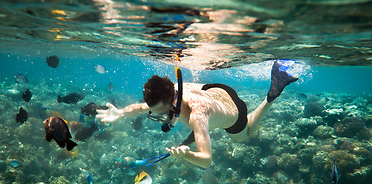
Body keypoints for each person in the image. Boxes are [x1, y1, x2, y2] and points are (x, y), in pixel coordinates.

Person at [96, 60, 298, 169]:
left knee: (243, 138)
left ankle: (272, 94)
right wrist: (119, 113)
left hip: (234, 112)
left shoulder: (197, 115)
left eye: (164, 112)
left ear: (173, 101)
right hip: (215, 89)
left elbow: (207, 159)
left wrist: (188, 155)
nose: (162, 118)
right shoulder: (169, 91)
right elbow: (139, 108)